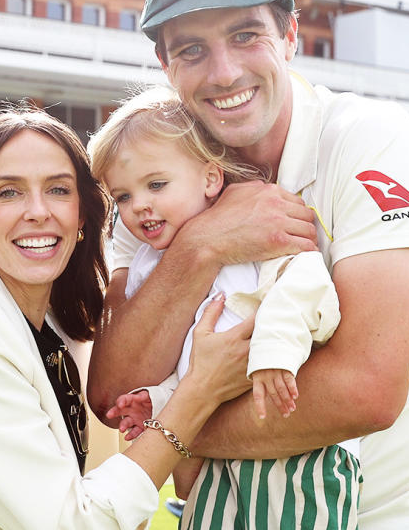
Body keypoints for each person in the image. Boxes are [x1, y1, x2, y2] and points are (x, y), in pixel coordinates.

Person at [87, 0, 409, 529]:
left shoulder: (369, 138)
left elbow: (365, 391)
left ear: (290, 34)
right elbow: (114, 386)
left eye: (247, 35)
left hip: (389, 515)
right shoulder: (155, 173)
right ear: (167, 69)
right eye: (192, 50)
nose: (224, 73)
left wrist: (170, 426)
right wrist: (204, 244)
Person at [0, 106, 253, 529]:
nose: (38, 211)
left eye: (59, 190)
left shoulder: (62, 326)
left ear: (82, 214)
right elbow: (70, 523)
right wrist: (200, 392)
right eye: (9, 192)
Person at [89, 87, 359, 528]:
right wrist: (156, 400)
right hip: (216, 461)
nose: (140, 205)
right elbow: (180, 366)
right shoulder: (146, 267)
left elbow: (308, 285)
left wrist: (273, 351)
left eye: (157, 185)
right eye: (122, 197)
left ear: (211, 179)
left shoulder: (254, 223)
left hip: (299, 456)